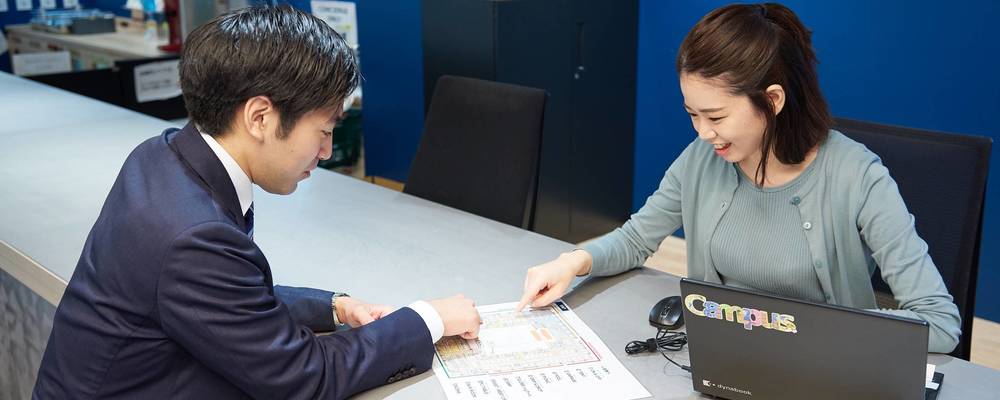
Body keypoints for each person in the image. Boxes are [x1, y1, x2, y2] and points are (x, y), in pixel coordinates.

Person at [33, 6, 481, 399]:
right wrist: (427, 319)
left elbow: (227, 300)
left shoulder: (164, 152)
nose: (326, 153)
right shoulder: (193, 236)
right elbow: (305, 379)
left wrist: (334, 307)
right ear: (260, 117)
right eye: (324, 132)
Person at [516, 3, 960, 354]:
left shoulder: (858, 176)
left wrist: (812, 333)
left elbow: (939, 322)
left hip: (824, 371)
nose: (702, 133)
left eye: (716, 116)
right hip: (725, 366)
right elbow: (636, 240)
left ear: (772, 100)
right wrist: (570, 263)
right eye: (692, 114)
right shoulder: (701, 160)